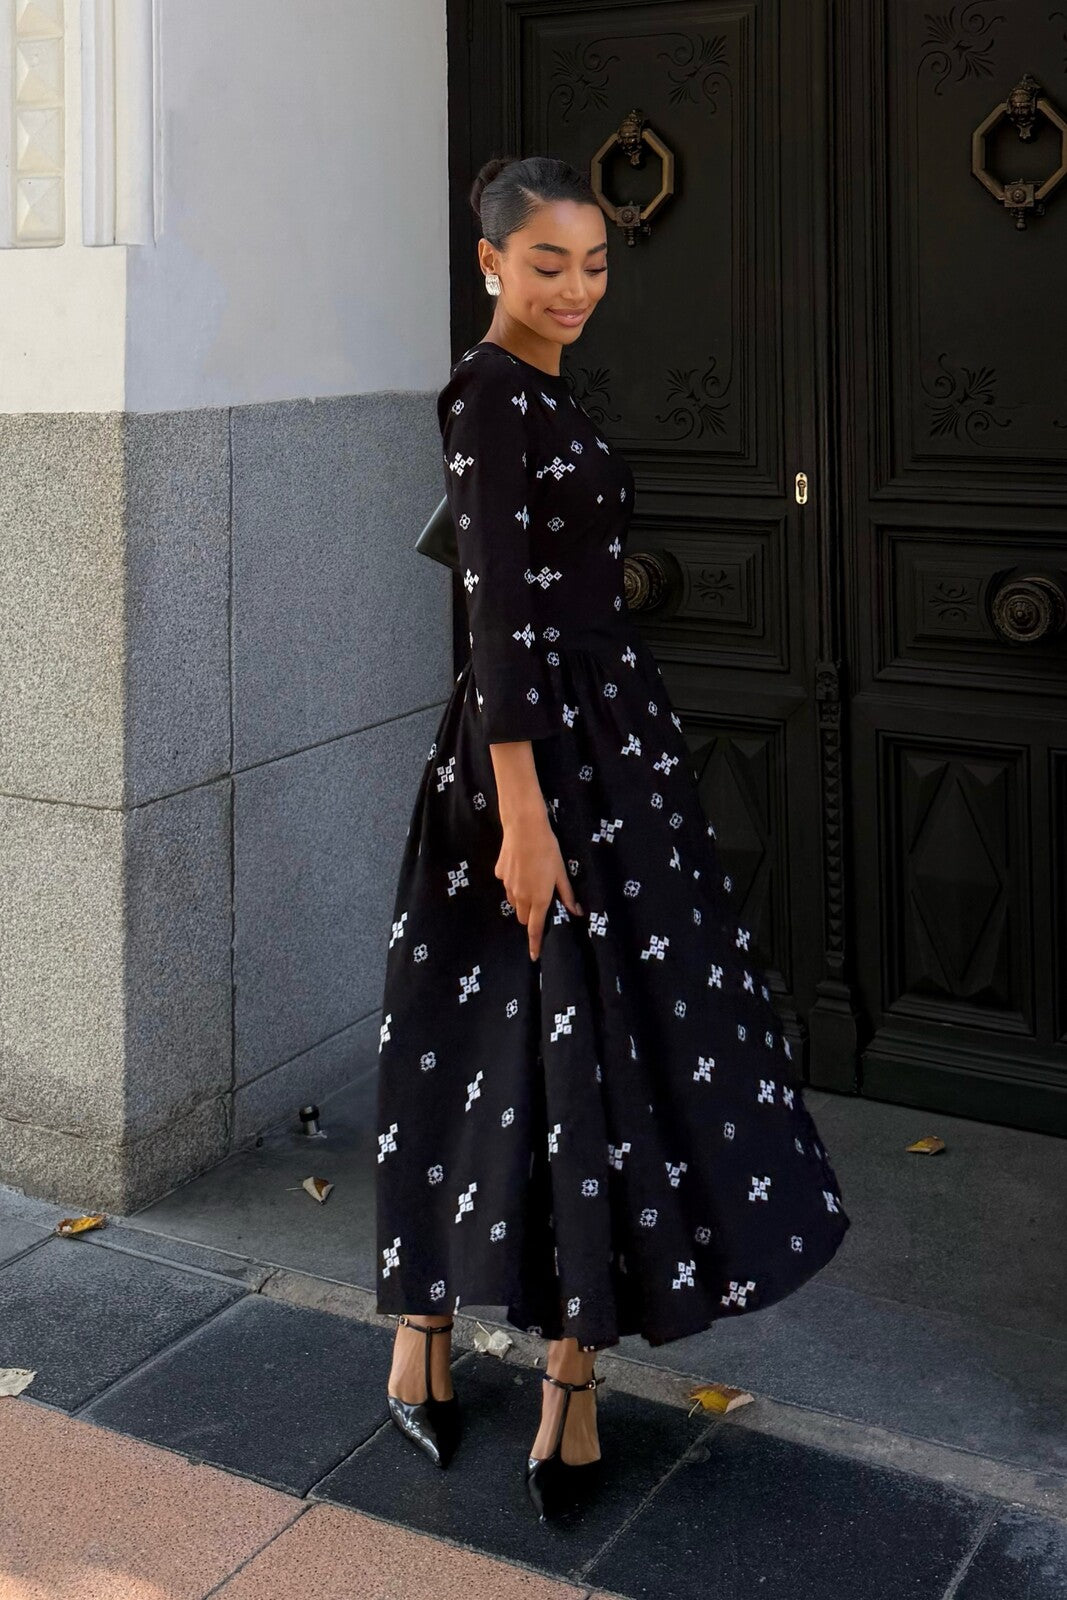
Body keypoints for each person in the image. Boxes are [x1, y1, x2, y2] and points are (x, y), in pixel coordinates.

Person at [375, 154, 851, 1521]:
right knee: (502, 1038)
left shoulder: (545, 393)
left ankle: (562, 1370)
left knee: (602, 1045)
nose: (577, 288)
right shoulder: (485, 395)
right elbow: (498, 619)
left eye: (592, 263)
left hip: (608, 745)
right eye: (547, 265)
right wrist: (523, 817)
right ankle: (428, 1326)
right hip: (532, 765)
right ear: (488, 267)